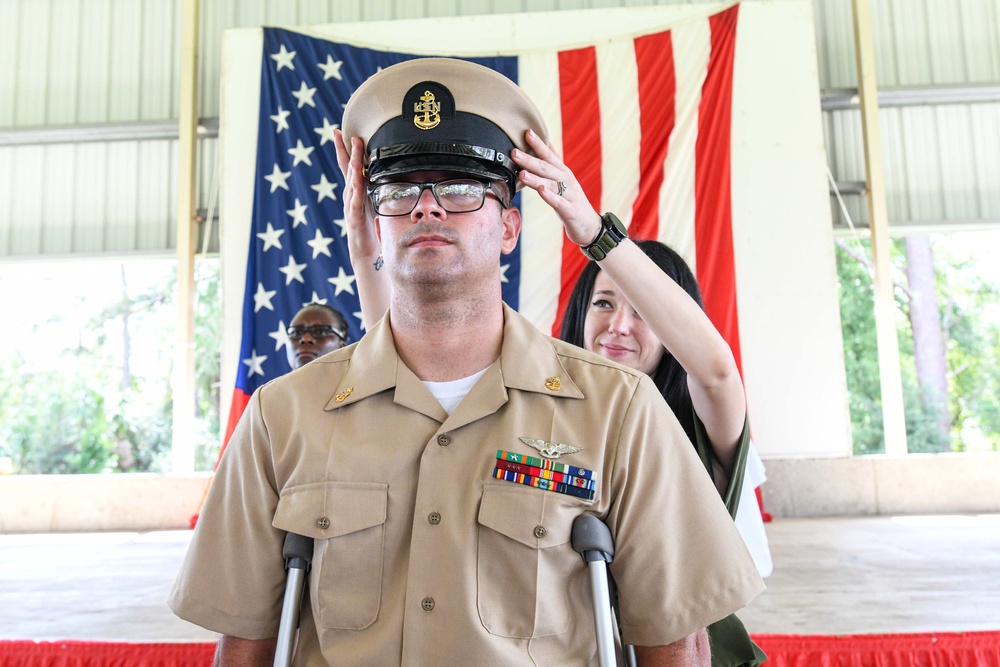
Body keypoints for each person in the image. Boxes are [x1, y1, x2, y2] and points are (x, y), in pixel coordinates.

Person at [169, 57, 763, 666]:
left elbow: (675, 640)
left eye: (458, 189)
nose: (427, 209)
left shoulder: (617, 410)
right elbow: (245, 643)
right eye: (399, 192)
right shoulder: (284, 416)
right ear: (377, 223)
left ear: (510, 227)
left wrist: (594, 231)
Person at [514, 132, 767, 667]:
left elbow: (718, 372)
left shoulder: (702, 425)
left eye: (645, 313)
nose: (618, 326)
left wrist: (594, 236)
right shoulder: (537, 411)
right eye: (603, 302)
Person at [285, 302, 350, 370]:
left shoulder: (358, 380)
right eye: (296, 332)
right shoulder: (275, 381)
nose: (306, 339)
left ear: (342, 348)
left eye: (320, 332)